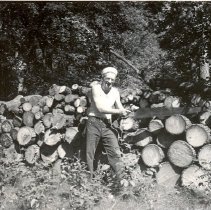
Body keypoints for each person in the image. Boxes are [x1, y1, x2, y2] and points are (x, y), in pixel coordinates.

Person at [86, 67, 131, 180]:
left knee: (115, 152)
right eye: (108, 78)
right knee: (90, 153)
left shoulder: (115, 92)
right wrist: (119, 111)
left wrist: (125, 112)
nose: (110, 81)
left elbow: (120, 108)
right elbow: (100, 108)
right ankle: (88, 182)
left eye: (112, 79)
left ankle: (122, 182)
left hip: (107, 125)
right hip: (93, 123)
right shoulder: (95, 88)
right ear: (102, 78)